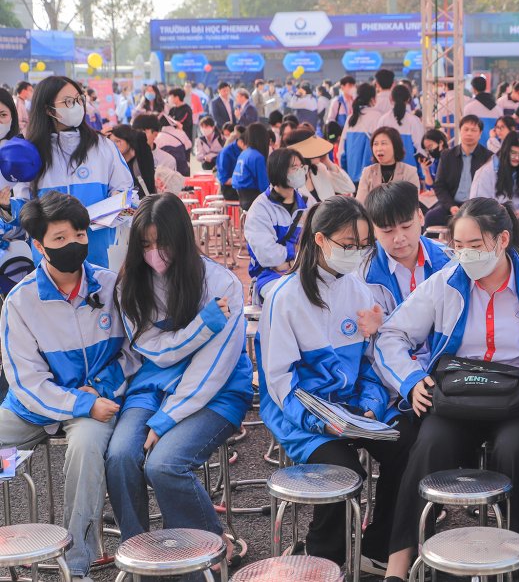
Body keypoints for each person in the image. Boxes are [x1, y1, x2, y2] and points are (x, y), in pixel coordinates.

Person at [373, 198, 519, 579]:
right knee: (429, 446)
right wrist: (411, 380)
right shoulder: (445, 284)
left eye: (475, 246)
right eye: (458, 246)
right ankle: (399, 564)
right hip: (459, 399)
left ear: (502, 240)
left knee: (516, 449)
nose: (465, 255)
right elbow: (391, 335)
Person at [257, 196, 416, 573]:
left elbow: (369, 363)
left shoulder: (358, 289)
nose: (356, 253)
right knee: (345, 472)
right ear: (320, 239)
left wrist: (369, 407)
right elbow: (281, 384)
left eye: (363, 245)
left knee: (408, 446)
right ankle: (323, 560)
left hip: (352, 410)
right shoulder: (284, 297)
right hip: (301, 415)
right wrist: (322, 422)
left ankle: (378, 546)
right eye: (348, 245)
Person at [105, 193, 252, 562]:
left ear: (182, 238)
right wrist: (203, 326)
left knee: (164, 465)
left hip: (217, 391)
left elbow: (212, 368)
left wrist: (167, 419)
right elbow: (155, 352)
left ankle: (206, 550)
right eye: (145, 244)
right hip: (152, 385)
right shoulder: (129, 284)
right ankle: (138, 553)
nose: (155, 253)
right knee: (120, 456)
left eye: (163, 242)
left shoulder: (221, 283)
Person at [1, 192, 138, 582]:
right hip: (34, 409)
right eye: (60, 239)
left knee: (86, 449)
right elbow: (26, 382)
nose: (73, 244)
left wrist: (100, 389)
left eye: (79, 234)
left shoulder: (111, 287)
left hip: (97, 404)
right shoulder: (20, 302)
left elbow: (134, 353)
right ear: (39, 246)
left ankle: (76, 566)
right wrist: (80, 402)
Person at [15, 76, 132, 268]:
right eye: (68, 101)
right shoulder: (30, 153)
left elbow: (126, 192)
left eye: (79, 99)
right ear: (48, 109)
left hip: (99, 252)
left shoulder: (103, 146)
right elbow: (23, 208)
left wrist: (118, 203)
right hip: (49, 257)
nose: (77, 106)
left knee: (99, 286)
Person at [362, 181, 451, 318]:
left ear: (420, 217)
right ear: (373, 230)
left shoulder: (448, 260)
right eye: (387, 231)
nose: (399, 238)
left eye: (406, 226)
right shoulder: (363, 271)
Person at [244, 148, 310, 303]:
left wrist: (289, 263)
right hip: (267, 275)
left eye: (301, 167)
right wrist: (295, 253)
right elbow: (268, 255)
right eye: (294, 167)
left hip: (302, 270)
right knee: (288, 300)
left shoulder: (306, 203)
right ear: (279, 171)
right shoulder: (260, 208)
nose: (300, 171)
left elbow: (314, 245)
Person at [424, 115, 491, 228]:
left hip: (477, 207)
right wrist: (451, 206)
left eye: (473, 130)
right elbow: (439, 185)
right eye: (466, 129)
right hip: (452, 206)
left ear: (480, 134)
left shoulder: (488, 157)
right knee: (431, 217)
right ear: (460, 131)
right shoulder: (447, 155)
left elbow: (490, 187)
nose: (469, 133)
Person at [470, 131, 519, 221]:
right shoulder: (485, 173)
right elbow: (477, 209)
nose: (517, 158)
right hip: (492, 223)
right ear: (505, 151)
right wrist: (508, 215)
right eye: (513, 153)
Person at [356, 126, 420, 204]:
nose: (379, 148)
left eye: (383, 143)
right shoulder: (367, 172)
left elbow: (412, 204)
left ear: (395, 146)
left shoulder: (410, 172)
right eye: (375, 144)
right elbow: (360, 203)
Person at [340, 83, 382, 184]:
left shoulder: (351, 118)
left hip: (352, 175)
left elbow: (342, 152)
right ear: (373, 98)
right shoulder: (378, 117)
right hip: (372, 177)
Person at [377, 84, 422, 167]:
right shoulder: (414, 121)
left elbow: (378, 146)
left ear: (391, 99)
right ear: (408, 99)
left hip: (387, 167)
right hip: (410, 169)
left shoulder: (383, 120)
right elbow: (420, 148)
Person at [232, 123, 271, 211]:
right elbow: (264, 187)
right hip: (255, 201)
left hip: (242, 198)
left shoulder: (244, 153)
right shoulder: (257, 157)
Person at [109, 125, 156, 198]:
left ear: (128, 139)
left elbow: (141, 136)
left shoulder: (142, 156)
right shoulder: (116, 164)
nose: (115, 145)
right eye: (112, 142)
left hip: (145, 201)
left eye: (118, 141)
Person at [465, 75, 502, 147]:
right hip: (493, 147)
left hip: (475, 147)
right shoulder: (498, 108)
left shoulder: (469, 107)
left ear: (474, 89)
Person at [216, 127, 245, 202]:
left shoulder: (246, 151)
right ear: (241, 142)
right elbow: (224, 179)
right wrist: (244, 180)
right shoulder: (226, 153)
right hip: (230, 190)